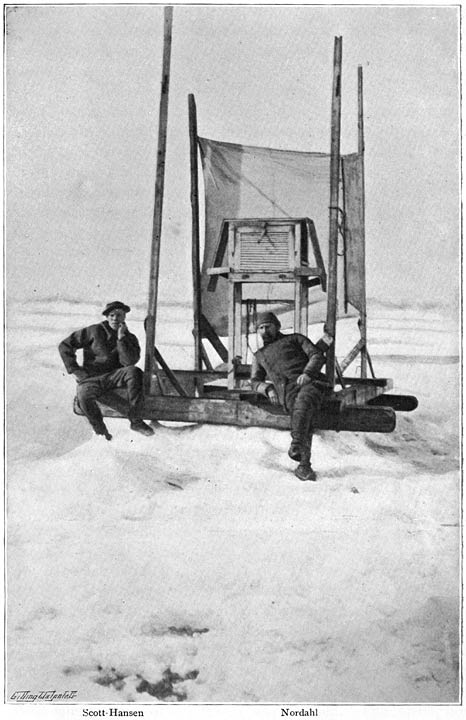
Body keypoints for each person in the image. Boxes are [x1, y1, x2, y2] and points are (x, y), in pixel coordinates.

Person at [250, 311, 333, 481]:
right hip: (287, 392)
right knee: (300, 410)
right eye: (261, 328)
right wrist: (268, 389)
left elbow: (316, 354)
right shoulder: (259, 355)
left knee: (304, 401)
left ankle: (296, 446)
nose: (265, 331)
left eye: (268, 326)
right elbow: (254, 381)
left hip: (312, 384)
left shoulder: (295, 339)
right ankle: (303, 466)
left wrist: (308, 373)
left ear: (277, 326)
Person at [59, 300, 154, 440]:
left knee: (134, 372)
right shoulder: (94, 331)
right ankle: (102, 433)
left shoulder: (130, 338)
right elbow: (65, 345)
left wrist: (121, 339)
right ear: (107, 316)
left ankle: (136, 421)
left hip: (115, 377)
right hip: (92, 377)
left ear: (124, 317)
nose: (115, 319)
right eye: (112, 315)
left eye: (119, 315)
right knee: (83, 395)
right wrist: (74, 369)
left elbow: (129, 362)